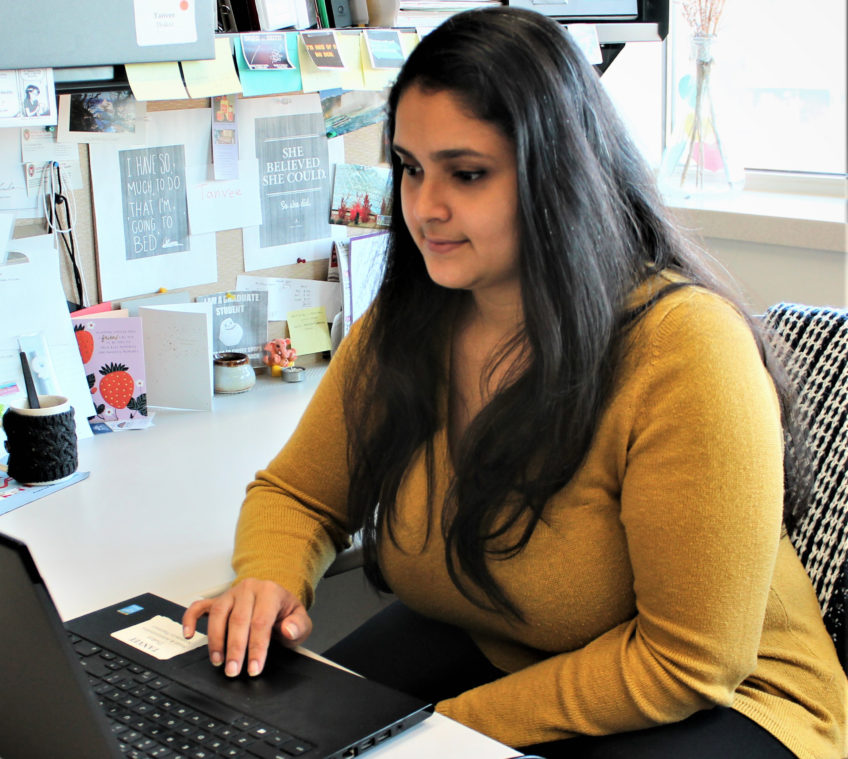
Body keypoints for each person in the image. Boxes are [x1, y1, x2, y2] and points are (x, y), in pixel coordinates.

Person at [182, 7, 847, 759]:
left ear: (558, 175)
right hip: (506, 642)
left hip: (728, 699)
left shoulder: (686, 352)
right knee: (273, 736)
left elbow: (690, 660)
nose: (425, 207)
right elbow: (299, 492)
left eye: (466, 174)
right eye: (409, 167)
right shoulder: (410, 323)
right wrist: (268, 579)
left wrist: (447, 733)